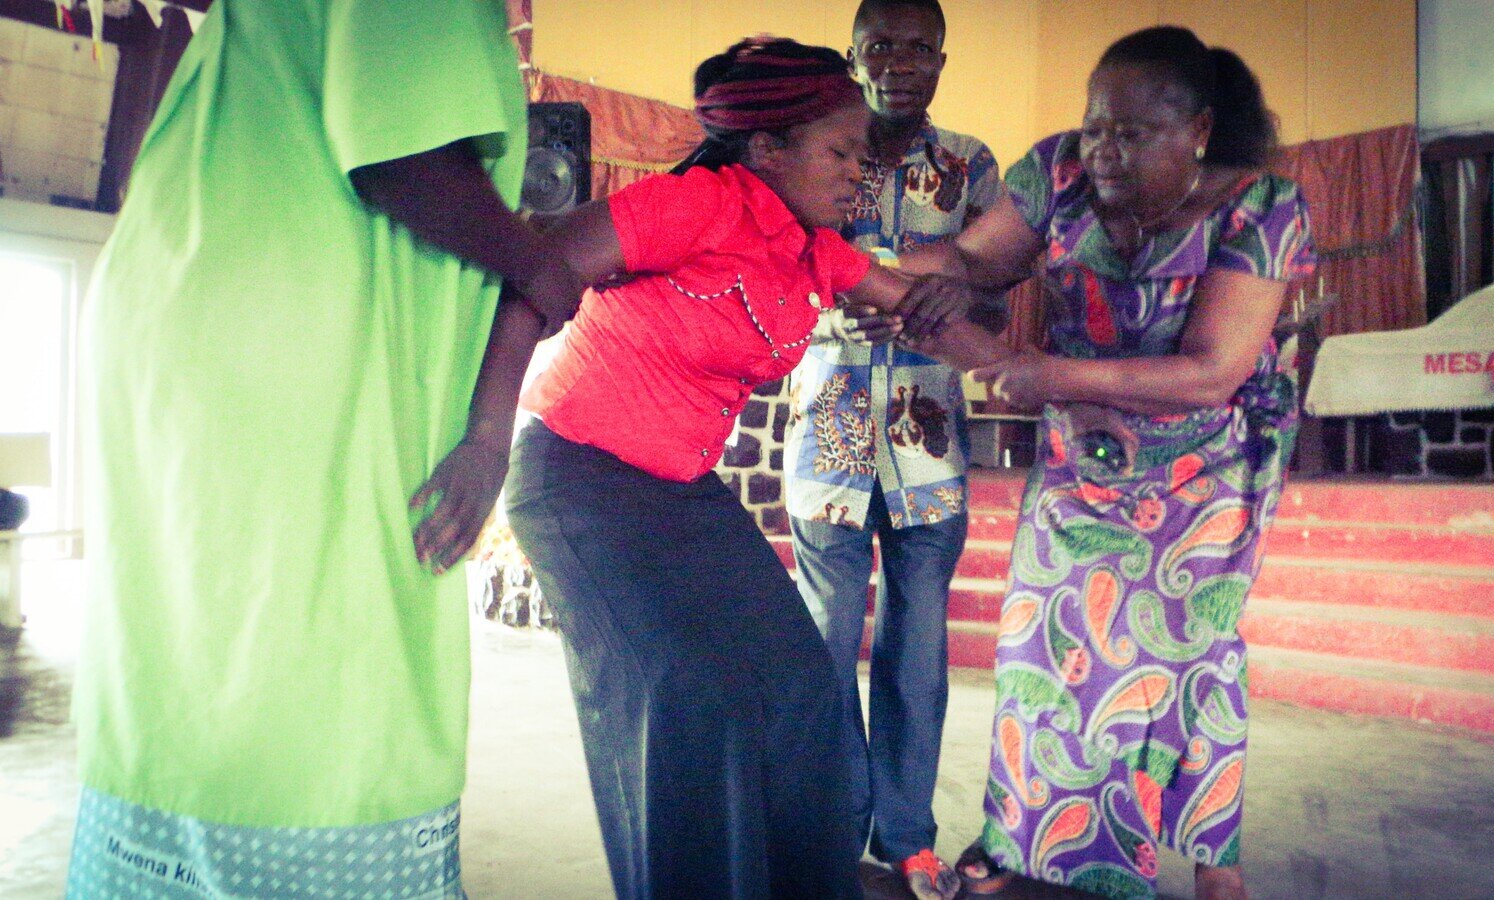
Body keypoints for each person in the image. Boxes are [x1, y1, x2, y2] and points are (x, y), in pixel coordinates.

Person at [68, 1, 553, 895]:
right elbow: (403, 159)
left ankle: (159, 859)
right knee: (326, 642)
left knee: (196, 625)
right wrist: (535, 262)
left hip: (190, 298)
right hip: (287, 336)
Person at [487, 36, 981, 900]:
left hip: (680, 492)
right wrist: (483, 439)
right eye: (838, 152)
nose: (857, 173)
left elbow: (926, 310)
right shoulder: (696, 205)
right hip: (578, 481)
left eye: (864, 156)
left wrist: (970, 312)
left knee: (800, 690)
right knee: (686, 711)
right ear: (767, 149)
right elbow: (539, 270)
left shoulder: (813, 250)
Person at [895, 25, 1317, 900]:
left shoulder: (1261, 205)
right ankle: (1035, 847)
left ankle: (1214, 863)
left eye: (1130, 133)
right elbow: (975, 260)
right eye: (1093, 126)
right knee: (1041, 643)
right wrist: (892, 270)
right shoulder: (1057, 173)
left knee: (1184, 652)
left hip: (1209, 465)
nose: (1102, 149)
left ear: (1197, 130)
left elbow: (1211, 369)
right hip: (1082, 450)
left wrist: (1050, 372)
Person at [780, 1, 999, 897]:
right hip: (827, 431)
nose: (899, 62)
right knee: (824, 648)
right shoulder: (815, 151)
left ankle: (906, 836)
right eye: (881, 46)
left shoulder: (972, 166)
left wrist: (950, 297)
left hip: (929, 440)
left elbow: (997, 292)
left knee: (917, 653)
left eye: (918, 47)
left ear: (942, 60)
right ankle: (827, 834)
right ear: (854, 56)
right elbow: (774, 265)